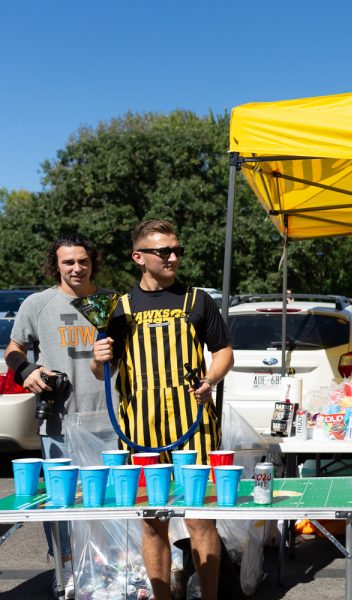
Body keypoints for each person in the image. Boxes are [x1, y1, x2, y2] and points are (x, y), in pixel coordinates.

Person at [91, 220, 234, 600]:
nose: (173, 257)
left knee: (200, 518)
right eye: (163, 251)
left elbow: (223, 352)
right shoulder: (118, 308)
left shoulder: (197, 300)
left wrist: (211, 379)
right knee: (152, 521)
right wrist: (97, 357)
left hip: (195, 423)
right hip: (139, 427)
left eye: (176, 250)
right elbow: (102, 369)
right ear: (139, 257)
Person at [5, 234, 111, 599]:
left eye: (83, 261)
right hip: (59, 420)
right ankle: (64, 569)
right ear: (57, 265)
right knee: (62, 502)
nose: (77, 268)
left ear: (92, 261)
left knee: (108, 501)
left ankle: (105, 569)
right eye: (68, 262)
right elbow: (14, 349)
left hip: (108, 420)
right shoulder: (38, 303)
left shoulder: (110, 302)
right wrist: (26, 372)